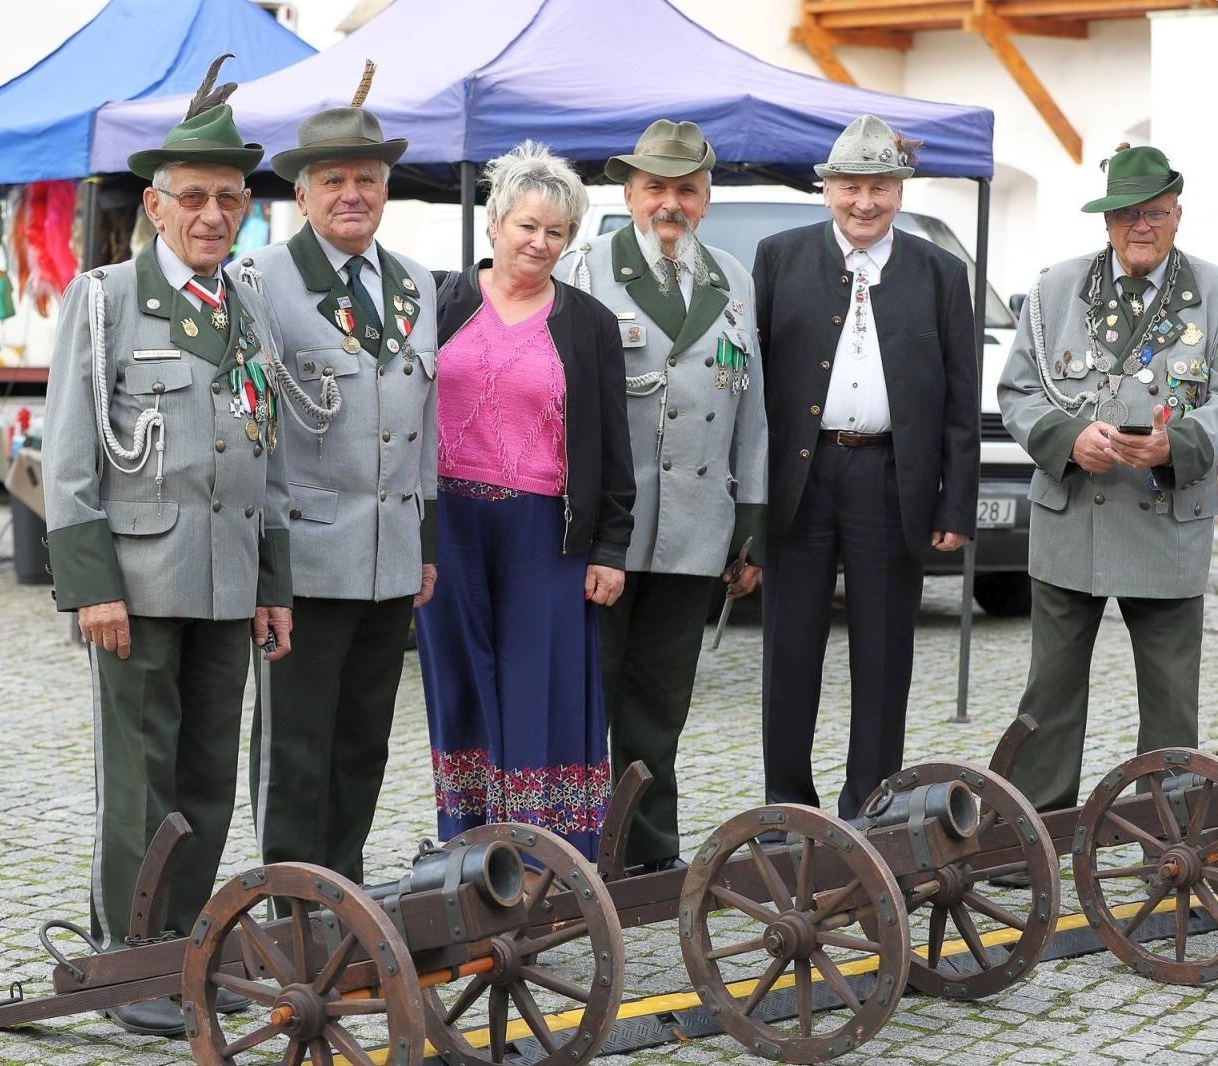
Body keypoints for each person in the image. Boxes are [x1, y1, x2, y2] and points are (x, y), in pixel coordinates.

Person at [41, 58, 291, 1037]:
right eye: (193, 197)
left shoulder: (248, 306)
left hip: (229, 582)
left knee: (206, 777)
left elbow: (263, 453)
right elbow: (68, 461)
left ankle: (185, 941)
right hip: (136, 585)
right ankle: (130, 962)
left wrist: (273, 580)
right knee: (140, 780)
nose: (213, 214)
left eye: (229, 198)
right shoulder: (105, 303)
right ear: (155, 204)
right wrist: (89, 585)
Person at [997, 144, 1218, 817]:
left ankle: (1167, 836)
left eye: (1156, 213)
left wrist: (1179, 444)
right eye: (1127, 214)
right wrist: (1067, 438)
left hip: (1166, 519)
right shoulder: (1056, 288)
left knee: (1171, 700)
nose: (1141, 227)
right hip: (1072, 517)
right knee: (1049, 694)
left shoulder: (1217, 291)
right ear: (1106, 220)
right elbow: (1020, 391)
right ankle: (1036, 830)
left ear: (1177, 216)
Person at [238, 63, 437, 893]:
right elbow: (253, 440)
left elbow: (423, 425)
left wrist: (425, 541)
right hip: (307, 562)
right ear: (304, 193)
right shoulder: (261, 285)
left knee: (363, 740)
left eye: (365, 178)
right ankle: (288, 902)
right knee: (295, 747)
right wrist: (265, 569)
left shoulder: (416, 283)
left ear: (384, 189)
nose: (351, 194)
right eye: (333, 181)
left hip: (390, 558)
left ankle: (343, 889)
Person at [753, 114, 979, 821]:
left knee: (885, 657)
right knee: (791, 652)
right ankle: (787, 806)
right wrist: (751, 506)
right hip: (801, 479)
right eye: (850, 187)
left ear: (899, 193)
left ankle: (873, 803)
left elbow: (959, 396)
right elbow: (753, 387)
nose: (864, 203)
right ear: (827, 191)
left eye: (879, 188)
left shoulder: (941, 272)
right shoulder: (778, 257)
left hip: (890, 480)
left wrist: (955, 504)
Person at [415, 141, 634, 861]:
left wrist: (610, 547)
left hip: (546, 528)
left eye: (557, 232)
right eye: (528, 226)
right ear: (495, 222)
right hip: (449, 523)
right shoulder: (437, 302)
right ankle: (467, 847)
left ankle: (548, 852)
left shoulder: (589, 323)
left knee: (542, 681)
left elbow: (611, 443)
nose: (540, 243)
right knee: (460, 679)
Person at [559, 120, 765, 874]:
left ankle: (649, 846)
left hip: (696, 524)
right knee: (592, 694)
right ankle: (583, 849)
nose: (669, 205)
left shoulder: (732, 279)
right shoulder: (584, 270)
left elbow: (754, 408)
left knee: (660, 702)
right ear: (629, 194)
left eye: (686, 190)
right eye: (656, 189)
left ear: (706, 200)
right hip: (607, 533)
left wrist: (753, 524)